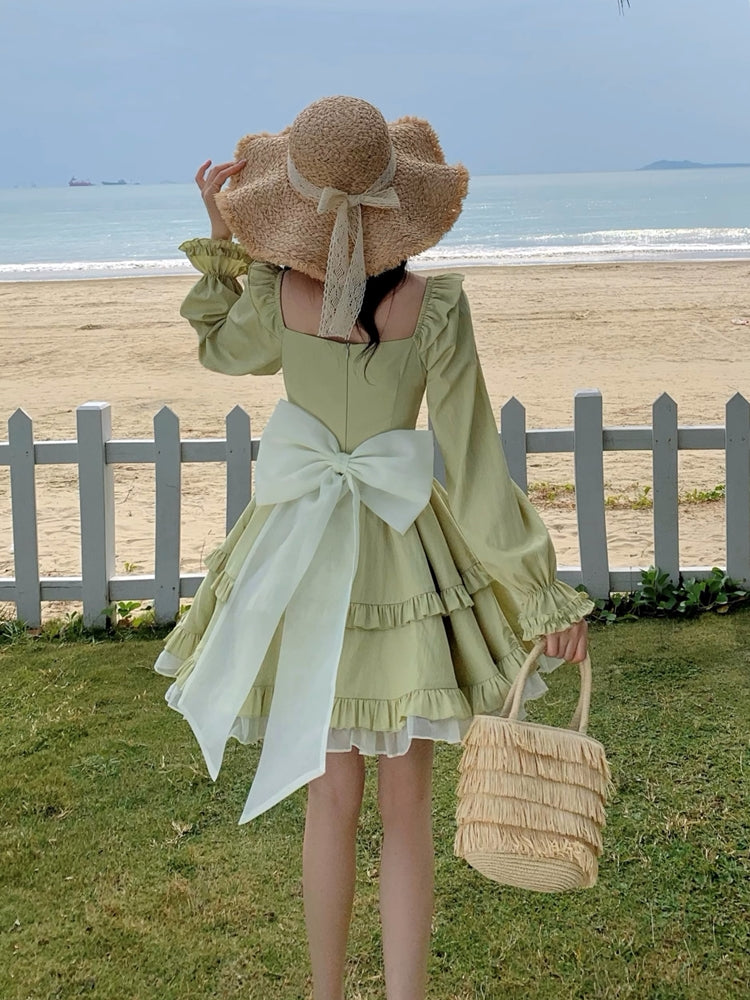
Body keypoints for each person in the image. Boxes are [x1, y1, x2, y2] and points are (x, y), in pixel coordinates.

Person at [154, 96, 592, 1000]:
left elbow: (223, 352)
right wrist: (539, 593)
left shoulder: (276, 294)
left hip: (297, 548)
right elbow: (474, 464)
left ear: (299, 207)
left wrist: (225, 242)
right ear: (400, 207)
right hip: (406, 554)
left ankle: (326, 993)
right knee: (407, 811)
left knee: (329, 801)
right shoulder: (435, 307)